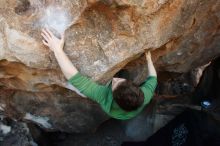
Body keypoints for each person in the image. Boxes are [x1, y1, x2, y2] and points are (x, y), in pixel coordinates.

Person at [41, 28, 157, 120]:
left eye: (114, 85)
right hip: (127, 112)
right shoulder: (145, 95)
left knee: (84, 91)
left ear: (113, 97)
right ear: (136, 88)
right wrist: (149, 59)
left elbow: (75, 79)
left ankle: (89, 94)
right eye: (122, 81)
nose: (115, 79)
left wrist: (57, 49)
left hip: (114, 112)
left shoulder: (104, 97)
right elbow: (153, 78)